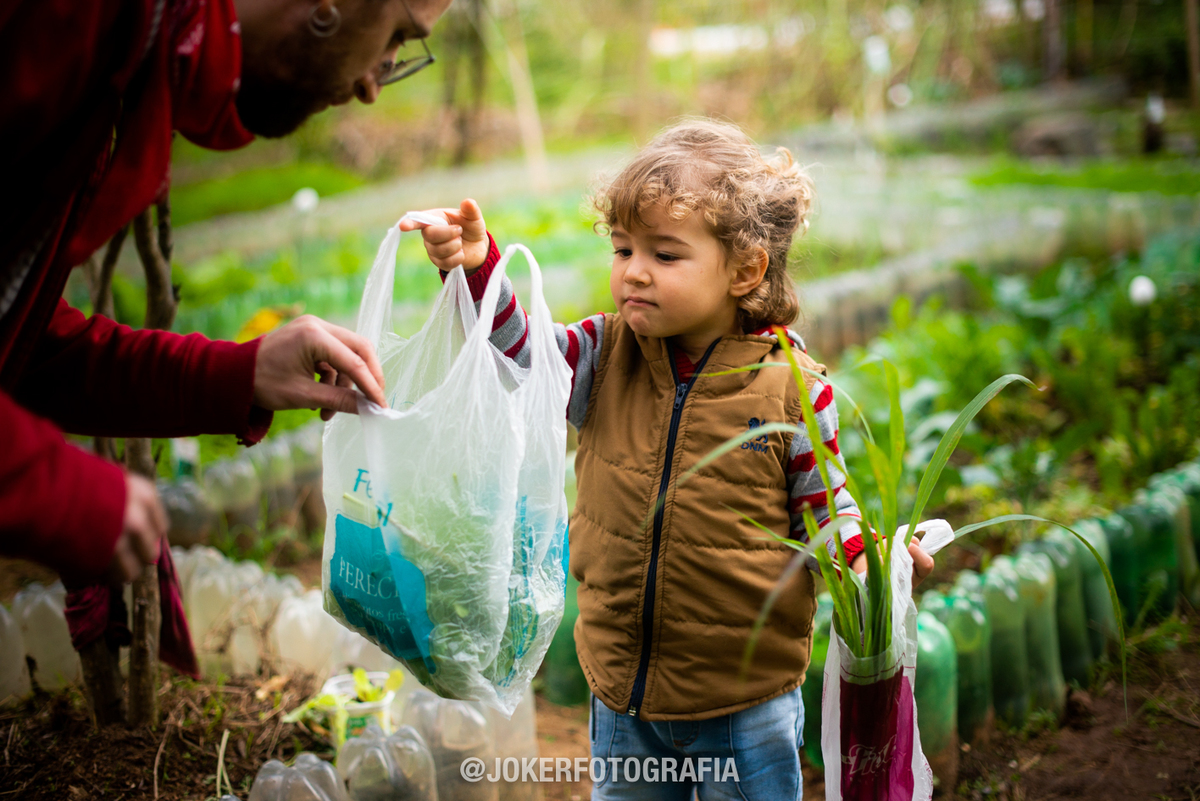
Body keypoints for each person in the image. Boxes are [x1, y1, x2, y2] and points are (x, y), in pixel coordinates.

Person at [403, 119, 935, 800]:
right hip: (624, 692)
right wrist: (480, 269)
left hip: (742, 708)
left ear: (745, 269)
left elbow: (826, 509)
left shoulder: (791, 390)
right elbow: (523, 354)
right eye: (623, 248)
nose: (633, 271)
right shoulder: (605, 353)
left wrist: (871, 560)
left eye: (666, 253)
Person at [0, 0, 452, 587]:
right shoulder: (66, 25)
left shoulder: (130, 57)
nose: (374, 84)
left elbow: (29, 347)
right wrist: (50, 485)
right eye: (395, 36)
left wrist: (236, 373)